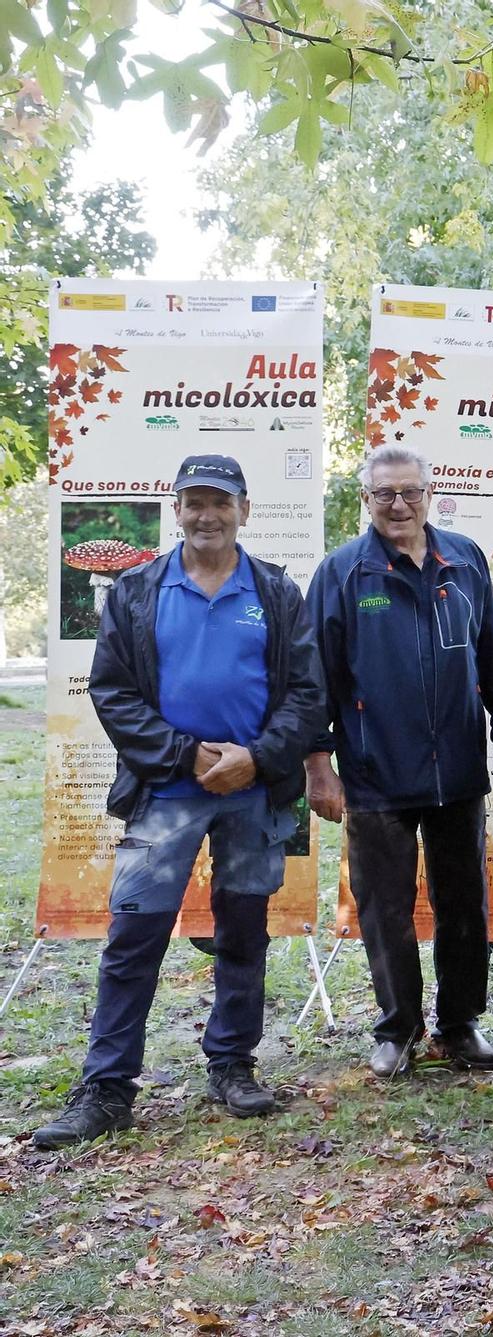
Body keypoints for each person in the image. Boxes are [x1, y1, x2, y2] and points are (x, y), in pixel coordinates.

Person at [32, 456, 323, 1149]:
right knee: (134, 934)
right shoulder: (135, 590)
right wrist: (187, 754)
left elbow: (308, 694)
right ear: (176, 510)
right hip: (165, 789)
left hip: (253, 791)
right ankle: (107, 1086)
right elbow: (112, 691)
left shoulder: (278, 593)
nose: (206, 514)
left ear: (244, 511)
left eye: (219, 502)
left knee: (242, 930)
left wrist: (254, 756)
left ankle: (232, 1063)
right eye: (192, 502)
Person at [305, 446, 493, 1078]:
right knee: (385, 908)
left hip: (456, 768)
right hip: (374, 771)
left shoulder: (465, 560)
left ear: (431, 493)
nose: (399, 506)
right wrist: (319, 765)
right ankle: (397, 1029)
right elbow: (315, 677)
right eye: (384, 494)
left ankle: (460, 1026)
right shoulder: (342, 572)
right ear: (365, 499)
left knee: (464, 903)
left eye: (410, 493)